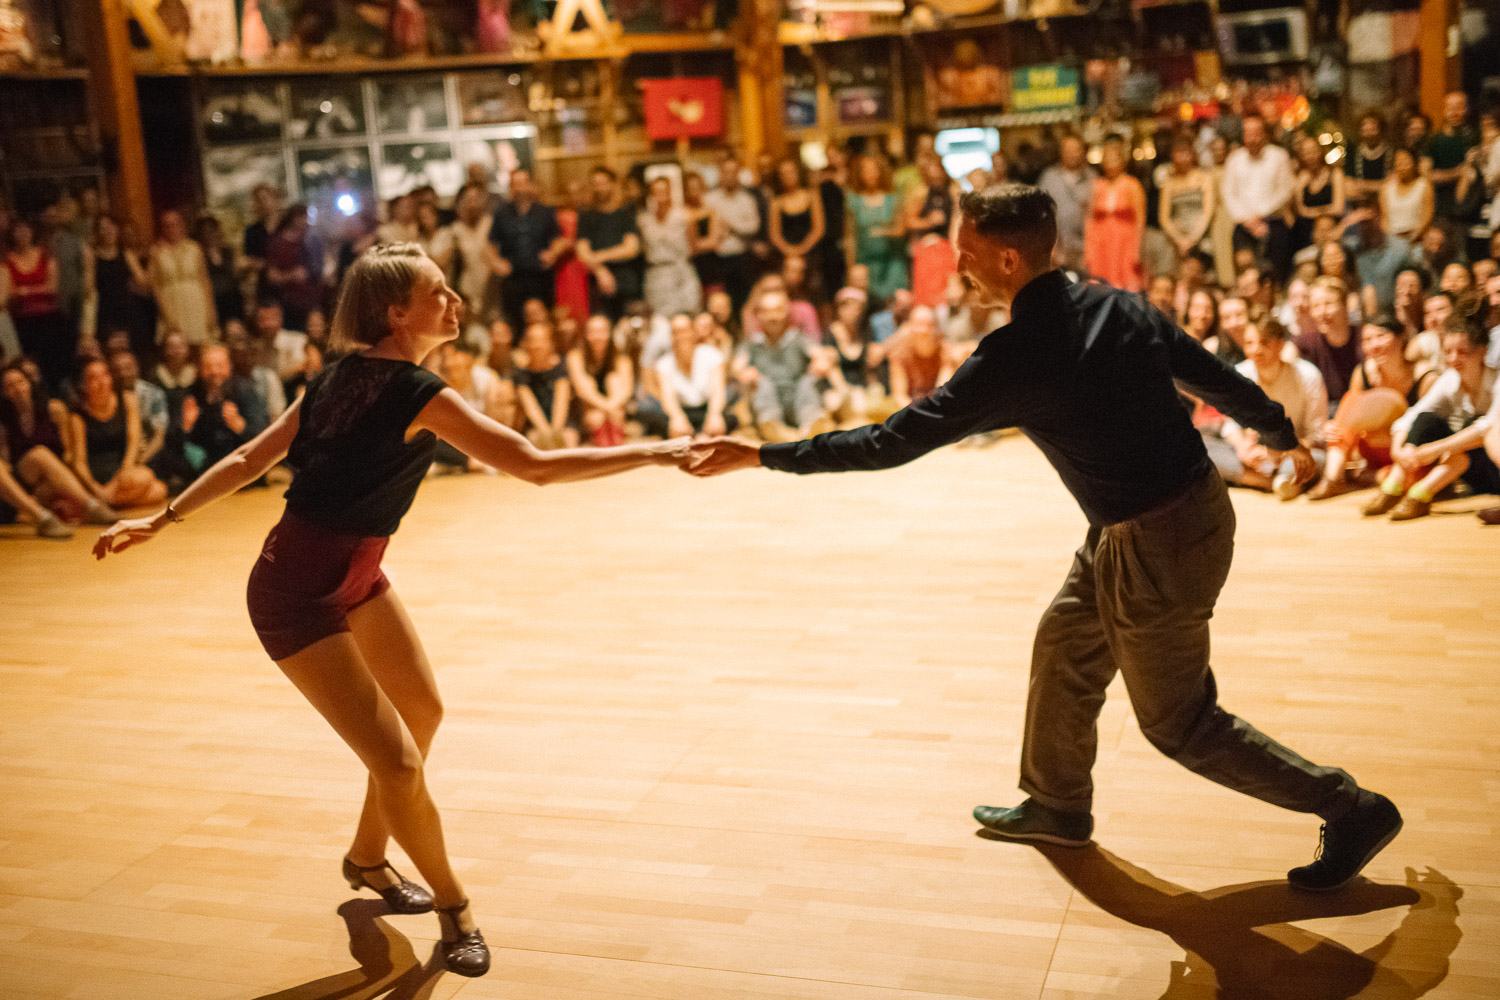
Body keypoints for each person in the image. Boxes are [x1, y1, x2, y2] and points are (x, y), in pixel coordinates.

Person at [687, 183, 1400, 893]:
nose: (956, 267)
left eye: (964, 254)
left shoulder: (1016, 355)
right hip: (1169, 520)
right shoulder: (1116, 304)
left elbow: (889, 441)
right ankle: (1056, 804)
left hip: (1159, 543)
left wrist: (762, 454)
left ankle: (1352, 808)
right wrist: (1280, 431)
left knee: (1181, 725)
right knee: (1065, 642)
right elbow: (1209, 376)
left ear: (1004, 259)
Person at [94, 243, 691, 979]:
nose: (455, 302)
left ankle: (367, 858)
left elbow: (255, 461)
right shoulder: (404, 391)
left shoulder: (349, 379)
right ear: (396, 313)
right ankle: (455, 908)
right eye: (438, 292)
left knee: (423, 713)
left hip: (359, 575)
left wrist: (160, 518)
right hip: (293, 595)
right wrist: (659, 451)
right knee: (401, 764)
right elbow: (531, 466)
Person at [1362, 316, 1497, 520]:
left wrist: (1436, 449)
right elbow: (1413, 415)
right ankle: (1393, 487)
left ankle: (1421, 495)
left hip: (1493, 471)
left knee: (1472, 429)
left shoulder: (1497, 382)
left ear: (1483, 351)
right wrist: (1398, 449)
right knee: (1427, 419)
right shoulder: (1450, 379)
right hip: (1466, 464)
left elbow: (1486, 429)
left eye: (1463, 352)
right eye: (1448, 352)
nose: (1454, 359)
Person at [1308, 315, 1440, 500]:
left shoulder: (1426, 378)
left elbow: (1434, 430)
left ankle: (1367, 477)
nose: (1374, 345)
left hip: (1408, 456)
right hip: (1372, 452)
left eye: (1381, 336)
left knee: (1391, 401)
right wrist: (1336, 427)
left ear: (1401, 338)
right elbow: (1351, 421)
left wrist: (1390, 436)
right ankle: (1333, 478)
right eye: (1367, 340)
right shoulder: (1363, 374)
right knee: (1352, 399)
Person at [1207, 319, 1329, 498]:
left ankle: (1278, 479)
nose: (1256, 350)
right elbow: (1231, 426)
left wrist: (1278, 451)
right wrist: (1244, 449)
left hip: (1293, 452)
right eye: (1250, 343)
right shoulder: (1240, 373)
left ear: (1280, 344)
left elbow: (1317, 436)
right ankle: (1265, 481)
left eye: (1264, 343)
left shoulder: (1308, 375)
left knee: (1314, 460)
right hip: (1250, 457)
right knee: (1203, 447)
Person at [1, 359, 117, 534]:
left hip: (57, 479)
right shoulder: (4, 422)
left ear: (30, 383)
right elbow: (6, 462)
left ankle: (91, 507)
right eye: (9, 386)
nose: (17, 389)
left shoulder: (54, 410)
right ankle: (42, 517)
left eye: (20, 382)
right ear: (3, 393)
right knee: (37, 455)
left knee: (41, 454)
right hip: (20, 483)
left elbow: (68, 455)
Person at [67, 357, 167, 509]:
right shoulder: (78, 416)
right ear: (84, 385)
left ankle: (101, 504)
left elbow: (133, 440)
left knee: (158, 489)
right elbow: (79, 462)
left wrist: (126, 468)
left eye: (105, 375)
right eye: (94, 378)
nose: (101, 382)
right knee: (149, 483)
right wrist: (96, 489)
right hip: (94, 474)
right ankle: (102, 500)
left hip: (121, 471)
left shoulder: (128, 399)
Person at [732, 289, 830, 443]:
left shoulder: (796, 337)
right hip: (768, 400)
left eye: (777, 310)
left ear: (787, 312)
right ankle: (771, 426)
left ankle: (811, 423)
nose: (773, 317)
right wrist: (743, 372)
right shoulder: (753, 342)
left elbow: (823, 355)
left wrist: (820, 363)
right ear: (760, 315)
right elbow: (736, 367)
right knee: (762, 384)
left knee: (807, 382)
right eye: (768, 311)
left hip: (796, 397)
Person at [490, 168, 565, 335]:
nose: (521, 188)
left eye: (524, 183)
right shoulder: (501, 213)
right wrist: (497, 263)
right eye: (516, 184)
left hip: (540, 276)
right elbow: (490, 245)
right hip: (513, 278)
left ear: (531, 185)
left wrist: (552, 253)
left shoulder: (545, 212)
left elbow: (560, 239)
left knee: (544, 321)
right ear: (511, 188)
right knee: (516, 324)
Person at [1222, 114, 1296, 281]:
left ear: (1264, 134)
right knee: (1245, 273)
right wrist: (1248, 220)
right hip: (1244, 224)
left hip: (1273, 222)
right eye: (1248, 134)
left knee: (1274, 274)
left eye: (1256, 133)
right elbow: (1229, 194)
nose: (1252, 138)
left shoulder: (1279, 156)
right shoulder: (1234, 159)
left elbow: (1286, 190)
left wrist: (1262, 214)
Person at [6, 218, 73, 391]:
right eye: (17, 231)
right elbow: (11, 293)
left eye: (25, 230)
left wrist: (25, 292)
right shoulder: (8, 260)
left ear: (32, 232)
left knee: (55, 363)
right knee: (31, 366)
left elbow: (52, 288)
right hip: (23, 322)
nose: (22, 235)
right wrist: (36, 290)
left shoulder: (45, 255)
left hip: (49, 319)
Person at [183, 343, 268, 472]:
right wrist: (186, 426)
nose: (214, 371)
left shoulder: (244, 390)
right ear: (199, 369)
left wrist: (241, 425)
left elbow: (265, 434)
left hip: (241, 464)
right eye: (208, 366)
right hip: (206, 467)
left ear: (229, 366)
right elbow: (175, 440)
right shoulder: (192, 394)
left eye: (219, 366)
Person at [647, 312, 733, 438]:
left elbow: (718, 391)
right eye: (676, 332)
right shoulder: (663, 364)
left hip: (708, 409)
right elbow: (668, 398)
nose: (681, 336)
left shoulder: (712, 355)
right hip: (682, 411)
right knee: (673, 428)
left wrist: (714, 415)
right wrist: (677, 417)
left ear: (693, 332)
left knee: (720, 425)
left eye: (685, 331)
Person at [432, 183, 506, 327]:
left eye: (477, 199)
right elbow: (439, 262)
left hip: (494, 297)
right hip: (466, 299)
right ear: (459, 203)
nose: (473, 204)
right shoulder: (452, 232)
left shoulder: (493, 226)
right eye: (468, 200)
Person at [576, 168, 643, 322]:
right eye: (595, 184)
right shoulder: (587, 215)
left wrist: (598, 256)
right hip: (598, 282)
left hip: (626, 278)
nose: (599, 188)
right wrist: (600, 271)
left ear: (612, 184)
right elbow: (582, 251)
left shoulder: (626, 211)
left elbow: (631, 248)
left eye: (603, 183)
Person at [1083, 138, 1145, 292]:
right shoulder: (1097, 185)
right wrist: (1089, 251)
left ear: (1122, 159)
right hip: (1101, 241)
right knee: (1100, 282)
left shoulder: (1132, 184)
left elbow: (1140, 218)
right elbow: (1089, 219)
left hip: (1125, 240)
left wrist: (1137, 249)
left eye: (1114, 157)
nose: (1110, 162)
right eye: (1107, 157)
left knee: (1125, 280)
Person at [702, 153, 761, 314]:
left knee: (743, 303)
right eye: (726, 172)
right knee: (719, 305)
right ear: (720, 174)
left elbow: (752, 228)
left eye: (733, 172)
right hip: (717, 260)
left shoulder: (747, 200)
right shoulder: (709, 199)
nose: (730, 176)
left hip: (741, 258)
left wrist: (730, 225)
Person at [638, 176, 703, 320]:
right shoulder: (644, 220)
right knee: (660, 320)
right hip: (657, 274)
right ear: (651, 195)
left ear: (670, 192)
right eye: (656, 192)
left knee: (688, 316)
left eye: (664, 191)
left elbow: (693, 246)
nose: (661, 196)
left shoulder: (684, 216)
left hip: (681, 271)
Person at [846, 154, 908, 302]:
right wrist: (852, 266)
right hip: (866, 264)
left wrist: (883, 232)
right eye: (866, 171)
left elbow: (901, 229)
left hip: (892, 263)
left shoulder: (892, 199)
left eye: (874, 170)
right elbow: (850, 237)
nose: (870, 175)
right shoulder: (853, 201)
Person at [567, 313, 633, 446]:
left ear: (610, 333)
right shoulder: (575, 356)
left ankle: (615, 441)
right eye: (593, 332)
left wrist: (610, 408)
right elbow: (581, 390)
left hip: (614, 408)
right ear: (586, 334)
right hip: (586, 409)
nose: (598, 337)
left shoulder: (621, 357)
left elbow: (626, 389)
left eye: (602, 331)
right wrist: (607, 408)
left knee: (613, 379)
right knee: (589, 385)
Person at [1299, 278, 1363, 407]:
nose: (1321, 312)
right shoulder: (1306, 344)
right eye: (1316, 306)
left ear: (1345, 305)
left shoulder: (1364, 338)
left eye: (1328, 304)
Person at [905, 155, 958, 308]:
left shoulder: (953, 191)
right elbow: (909, 222)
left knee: (946, 295)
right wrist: (929, 222)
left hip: (947, 249)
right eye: (932, 176)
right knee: (926, 296)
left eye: (938, 175)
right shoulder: (920, 193)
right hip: (926, 249)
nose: (936, 179)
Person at [1037, 133, 1095, 273]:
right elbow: (1037, 214)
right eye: (1068, 149)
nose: (1072, 154)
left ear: (1083, 152)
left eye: (1076, 149)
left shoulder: (1093, 179)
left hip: (1084, 253)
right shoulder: (1048, 178)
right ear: (1061, 152)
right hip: (1055, 254)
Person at [513, 322, 575, 449]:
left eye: (541, 340)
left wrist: (556, 432)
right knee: (533, 439)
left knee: (569, 438)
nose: (537, 346)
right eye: (533, 341)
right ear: (526, 344)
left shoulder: (560, 370)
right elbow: (530, 406)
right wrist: (546, 433)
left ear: (550, 344)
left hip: (561, 425)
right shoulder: (521, 374)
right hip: (537, 427)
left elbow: (561, 403)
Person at [1422, 91, 1478, 221]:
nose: (1454, 113)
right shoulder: (1433, 141)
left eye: (1459, 107)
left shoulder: (1475, 137)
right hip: (1438, 209)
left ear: (1466, 109)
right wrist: (1457, 173)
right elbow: (1426, 175)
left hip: (1468, 209)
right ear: (1444, 110)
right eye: (1450, 108)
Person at [768, 157, 825, 283]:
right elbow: (774, 235)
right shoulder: (776, 202)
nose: (788, 176)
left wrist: (802, 249)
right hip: (786, 255)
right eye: (784, 173)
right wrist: (790, 252)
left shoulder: (811, 196)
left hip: (811, 252)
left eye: (791, 172)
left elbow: (819, 229)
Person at [1158, 134, 1215, 263]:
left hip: (1201, 237)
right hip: (1175, 239)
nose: (1181, 158)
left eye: (1185, 153)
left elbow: (1208, 213)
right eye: (1178, 153)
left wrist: (1192, 240)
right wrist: (1180, 241)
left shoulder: (1204, 178)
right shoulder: (1168, 183)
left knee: (1194, 264)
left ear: (1192, 154)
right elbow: (1164, 218)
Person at [1292, 134, 1344, 252]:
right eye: (1306, 153)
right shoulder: (1301, 178)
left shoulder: (1335, 174)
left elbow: (1338, 208)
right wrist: (1323, 210)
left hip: (1332, 227)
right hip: (1307, 230)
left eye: (1313, 151)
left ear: (1321, 152)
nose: (1311, 156)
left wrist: (1316, 213)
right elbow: (1300, 210)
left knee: (1324, 226)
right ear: (1301, 156)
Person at [196, 214, 243, 328]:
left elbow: (236, 273)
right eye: (205, 231)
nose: (209, 235)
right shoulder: (199, 255)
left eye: (211, 230)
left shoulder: (228, 251)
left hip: (232, 298)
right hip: (213, 300)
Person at [1379, 148, 1433, 242]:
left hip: (1417, 239)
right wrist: (1394, 241)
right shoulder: (1386, 188)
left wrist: (1411, 238)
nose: (1401, 167)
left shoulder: (1424, 185)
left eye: (1406, 163)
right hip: (1392, 240)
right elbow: (1384, 219)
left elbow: (1427, 216)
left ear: (1414, 164)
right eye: (1398, 163)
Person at [1344, 111, 1391, 198]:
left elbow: (1392, 186)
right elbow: (1349, 185)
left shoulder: (1390, 152)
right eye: (1365, 130)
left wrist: (1363, 185)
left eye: (1373, 130)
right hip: (1360, 204)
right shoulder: (1353, 152)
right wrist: (1378, 185)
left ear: (1380, 130)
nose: (1369, 134)